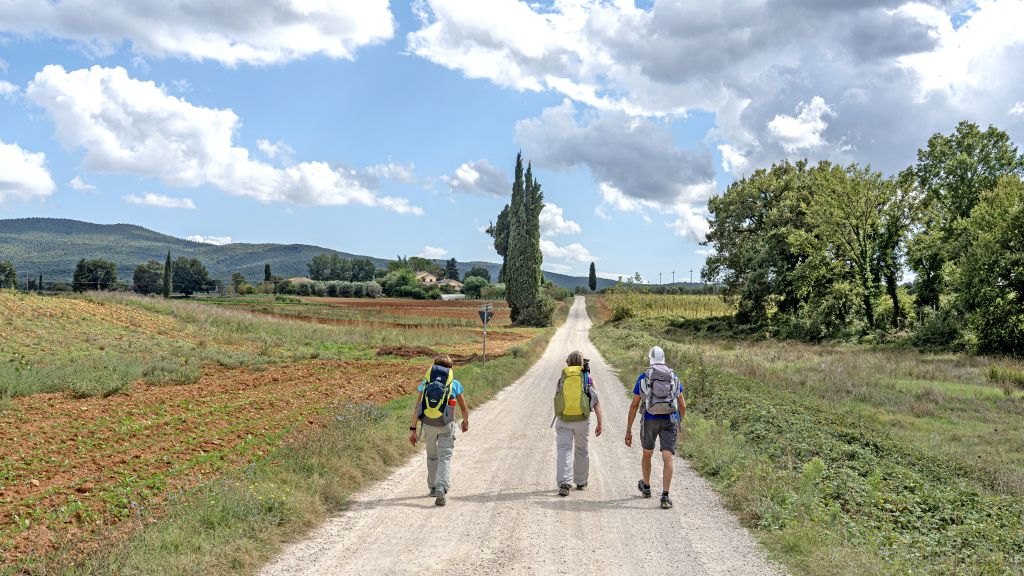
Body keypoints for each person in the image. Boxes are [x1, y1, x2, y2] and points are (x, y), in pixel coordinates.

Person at [625, 346, 686, 509]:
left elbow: (633, 405)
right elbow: (682, 405)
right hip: (669, 420)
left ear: (650, 359)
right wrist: (678, 422)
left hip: (649, 419)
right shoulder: (673, 377)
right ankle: (665, 496)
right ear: (664, 359)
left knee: (647, 453)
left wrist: (628, 429)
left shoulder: (644, 377)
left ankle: (646, 487)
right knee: (668, 457)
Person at [408, 354, 469, 506]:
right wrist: (465, 422)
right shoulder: (454, 384)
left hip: (428, 425)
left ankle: (433, 487)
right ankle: (442, 486)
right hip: (446, 425)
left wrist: (413, 429)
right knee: (445, 458)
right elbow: (463, 408)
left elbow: (418, 407)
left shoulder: (426, 383)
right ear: (450, 368)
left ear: (434, 367)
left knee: (432, 456)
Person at [553, 350, 604, 496]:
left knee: (564, 449)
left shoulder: (562, 378)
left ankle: (564, 482)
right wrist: (600, 423)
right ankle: (581, 481)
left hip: (564, 419)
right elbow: (596, 403)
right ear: (582, 363)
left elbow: (557, 398)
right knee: (581, 449)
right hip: (582, 419)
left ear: (568, 362)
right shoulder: (588, 378)